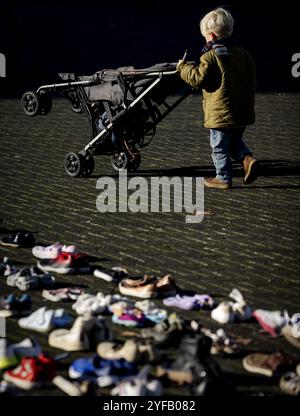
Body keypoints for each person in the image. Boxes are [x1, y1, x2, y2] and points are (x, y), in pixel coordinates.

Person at [177, 7, 259, 189]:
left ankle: (222, 177)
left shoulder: (211, 56)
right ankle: (247, 159)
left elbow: (198, 78)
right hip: (242, 110)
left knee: (219, 146)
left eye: (205, 36)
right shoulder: (243, 53)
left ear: (212, 35)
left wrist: (183, 68)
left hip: (221, 113)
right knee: (234, 142)